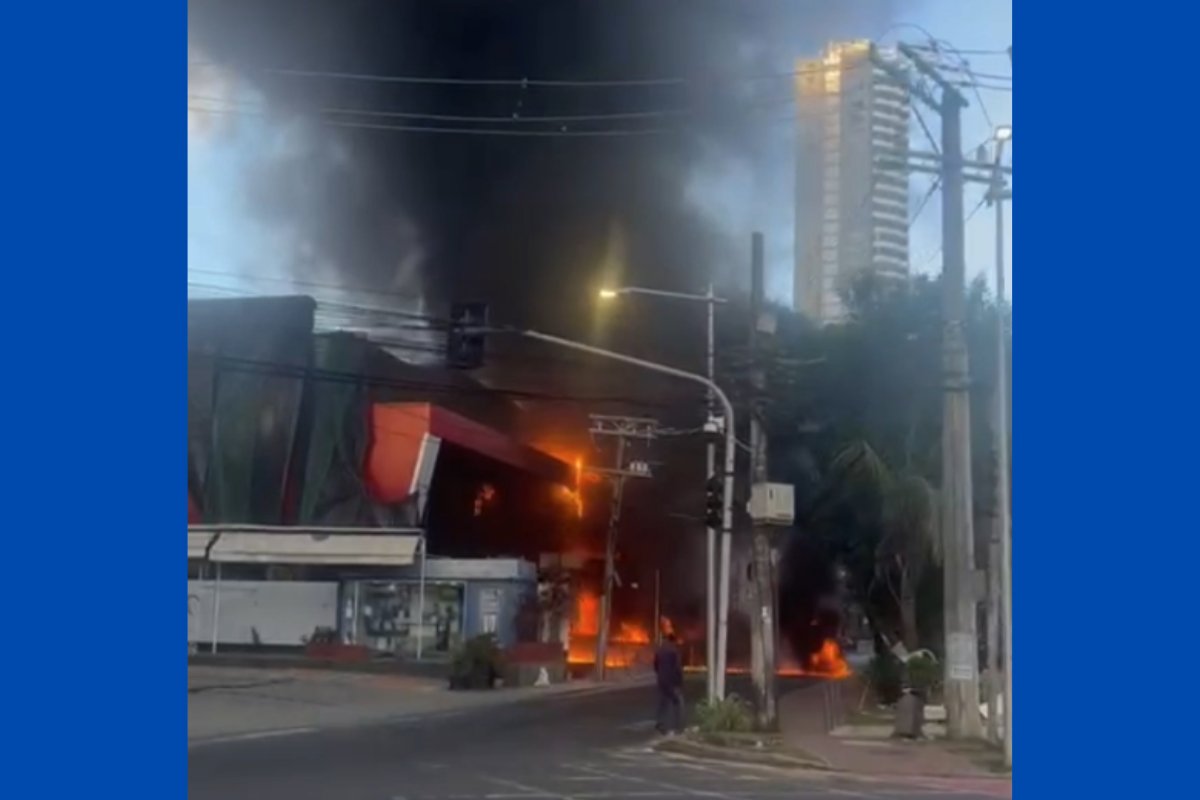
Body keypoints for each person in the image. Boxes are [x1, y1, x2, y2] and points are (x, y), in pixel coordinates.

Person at [652, 633, 684, 735]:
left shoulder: (660, 651)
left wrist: (660, 674)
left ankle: (660, 722)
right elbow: (677, 668)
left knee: (663, 701)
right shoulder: (674, 652)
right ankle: (678, 726)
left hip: (661, 680)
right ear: (673, 641)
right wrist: (679, 682)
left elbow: (655, 665)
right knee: (678, 702)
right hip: (671, 681)